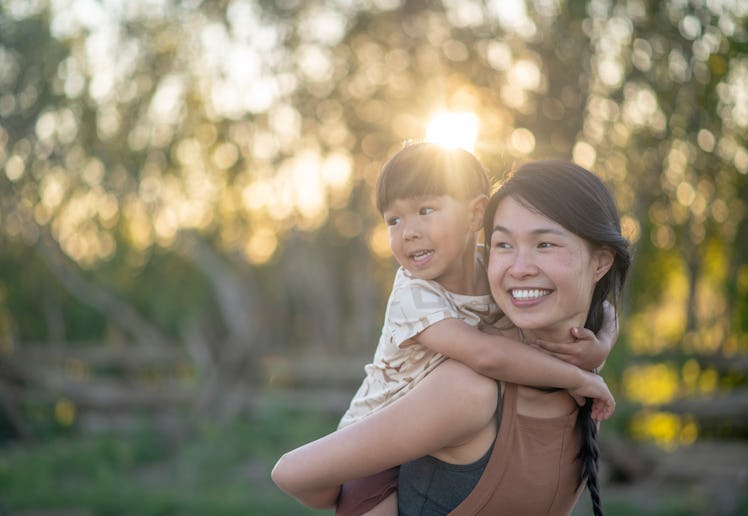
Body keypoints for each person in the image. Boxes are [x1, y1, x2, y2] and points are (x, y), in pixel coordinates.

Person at [271, 144, 618, 515]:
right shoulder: (414, 297)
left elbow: (607, 308)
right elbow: (487, 355)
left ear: (475, 215)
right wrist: (578, 377)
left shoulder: (493, 267)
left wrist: (600, 345)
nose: (409, 233)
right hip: (372, 453)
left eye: (425, 211)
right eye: (394, 221)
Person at [398, 160, 631, 515]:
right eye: (504, 245)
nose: (520, 268)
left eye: (545, 245)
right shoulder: (468, 390)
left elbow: (610, 312)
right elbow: (294, 470)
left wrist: (601, 347)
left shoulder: (582, 381)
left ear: (600, 263)